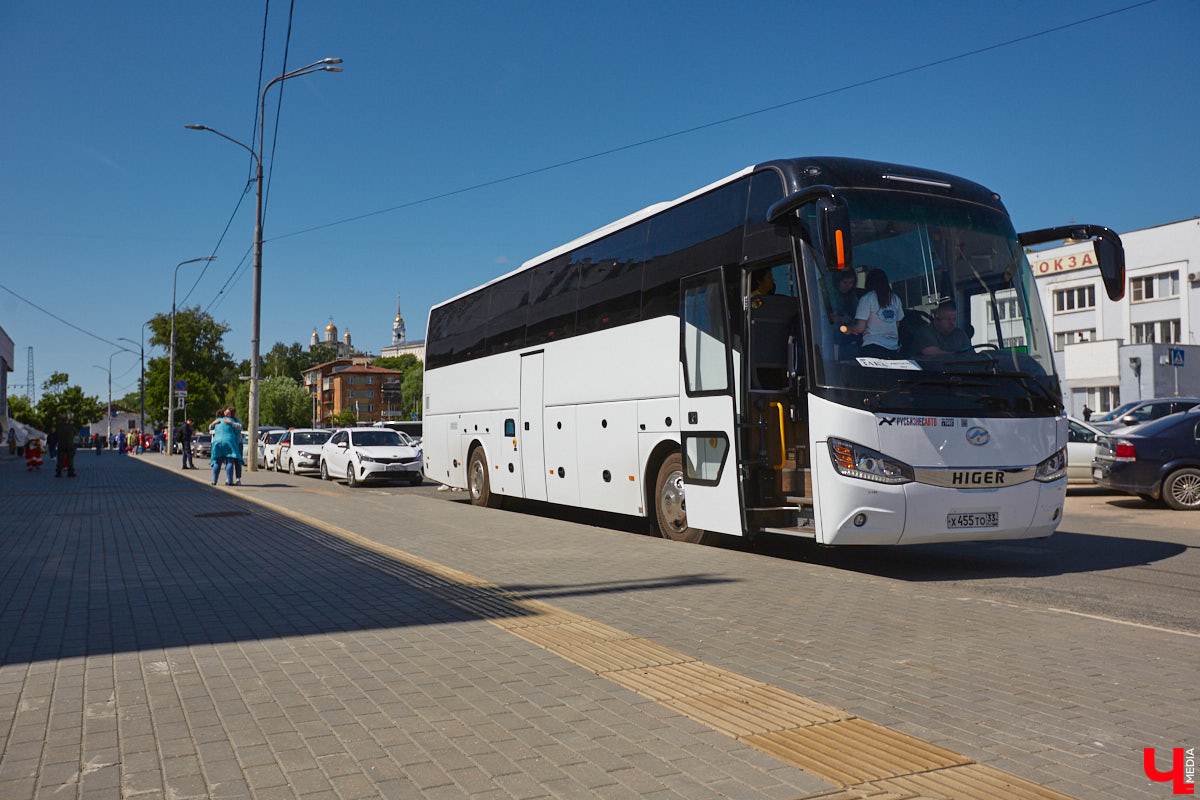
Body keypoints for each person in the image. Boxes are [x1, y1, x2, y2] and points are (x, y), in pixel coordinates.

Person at [845, 268, 904, 358]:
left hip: (873, 348)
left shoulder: (867, 298)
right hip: (893, 349)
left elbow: (860, 328)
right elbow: (897, 324)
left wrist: (849, 329)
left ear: (869, 282)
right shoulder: (896, 299)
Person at [828, 269, 862, 357]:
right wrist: (840, 318)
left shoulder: (853, 296)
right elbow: (824, 317)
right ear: (837, 281)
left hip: (851, 333)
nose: (848, 286)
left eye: (851, 283)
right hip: (832, 335)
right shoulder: (830, 295)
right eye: (845, 282)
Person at [209, 408, 243, 486]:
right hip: (230, 442)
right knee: (230, 460)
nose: (226, 414)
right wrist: (231, 424)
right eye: (225, 413)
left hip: (217, 442)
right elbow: (238, 430)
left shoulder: (218, 420)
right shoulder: (232, 421)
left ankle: (214, 481)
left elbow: (210, 428)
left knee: (217, 461)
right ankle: (230, 480)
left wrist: (213, 423)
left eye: (228, 413)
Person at [55, 414, 77, 478]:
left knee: (60, 459)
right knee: (70, 458)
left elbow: (56, 434)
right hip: (70, 444)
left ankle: (59, 472)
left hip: (61, 444)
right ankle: (70, 472)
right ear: (67, 420)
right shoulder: (71, 427)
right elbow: (76, 433)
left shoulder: (59, 427)